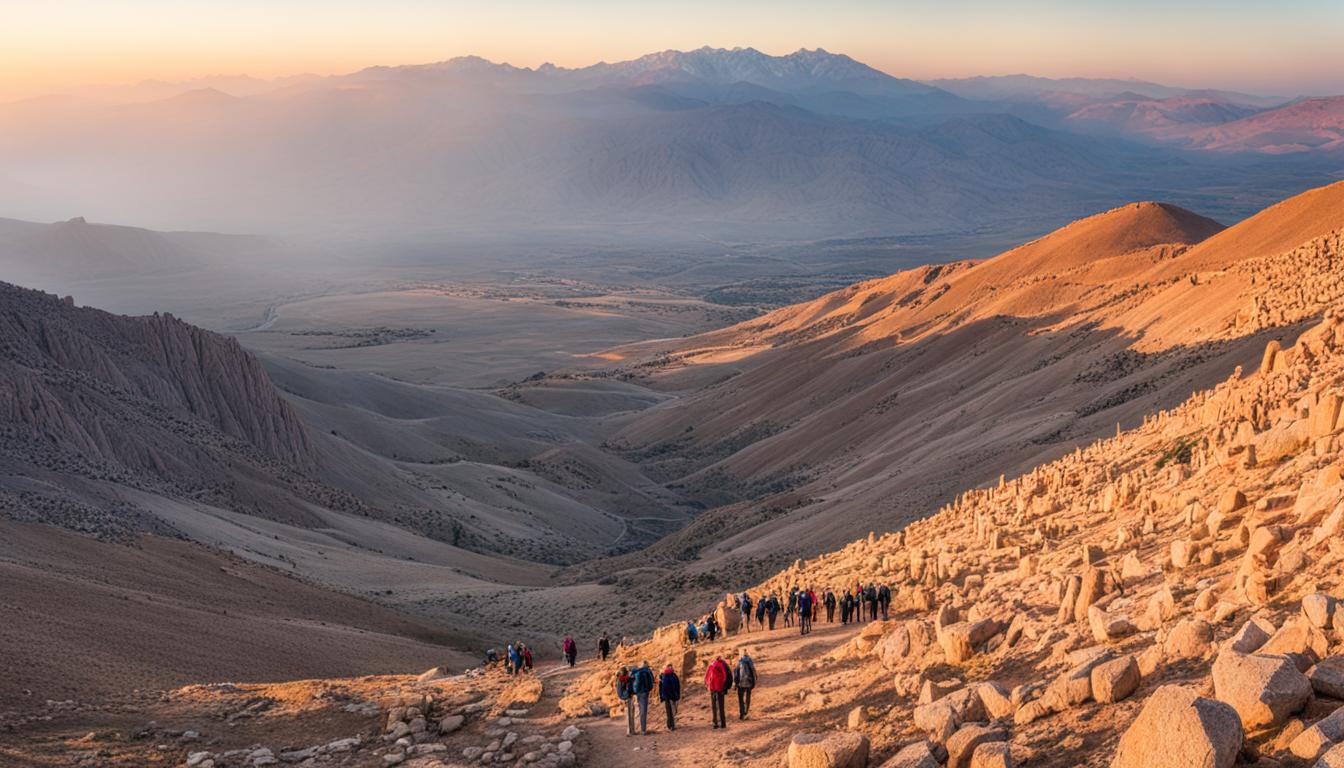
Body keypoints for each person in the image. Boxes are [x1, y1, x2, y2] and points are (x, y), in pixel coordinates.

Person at [705, 655, 733, 729]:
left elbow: (707, 677)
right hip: (720, 688)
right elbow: (727, 676)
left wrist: (708, 685)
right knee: (721, 706)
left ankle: (715, 723)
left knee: (714, 706)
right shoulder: (723, 665)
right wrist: (726, 687)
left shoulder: (712, 665)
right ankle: (723, 724)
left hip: (712, 688)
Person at [632, 660, 655, 735]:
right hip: (645, 692)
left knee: (640, 711)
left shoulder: (638, 672)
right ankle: (643, 730)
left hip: (640, 693)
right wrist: (648, 690)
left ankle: (641, 729)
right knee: (643, 711)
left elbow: (637, 683)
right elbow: (652, 682)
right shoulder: (647, 672)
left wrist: (635, 691)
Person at [734, 650, 757, 720]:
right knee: (748, 697)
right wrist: (754, 682)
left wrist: (736, 683)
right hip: (749, 682)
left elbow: (736, 673)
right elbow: (753, 672)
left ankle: (741, 713)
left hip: (741, 683)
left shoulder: (739, 662)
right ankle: (746, 711)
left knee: (740, 698)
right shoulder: (750, 661)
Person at [658, 662, 681, 731]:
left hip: (667, 696)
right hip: (672, 696)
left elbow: (661, 688)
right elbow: (677, 686)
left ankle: (670, 725)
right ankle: (671, 725)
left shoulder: (664, 676)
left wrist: (662, 697)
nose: (670, 668)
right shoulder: (673, 675)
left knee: (669, 711)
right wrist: (677, 695)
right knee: (672, 711)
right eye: (669, 667)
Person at [615, 666, 635, 736]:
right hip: (625, 696)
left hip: (623, 696)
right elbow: (628, 679)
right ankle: (629, 731)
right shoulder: (622, 678)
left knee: (630, 713)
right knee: (629, 713)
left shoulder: (619, 678)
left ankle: (630, 730)